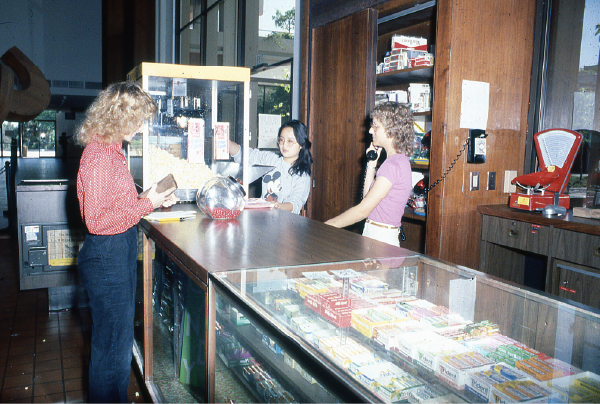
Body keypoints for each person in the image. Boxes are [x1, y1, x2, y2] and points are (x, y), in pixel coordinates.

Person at [75, 81, 177, 403]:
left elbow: (115, 206)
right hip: (107, 256)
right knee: (111, 352)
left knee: (116, 347)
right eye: (138, 119)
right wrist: (147, 204)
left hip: (113, 253)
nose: (142, 126)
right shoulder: (100, 155)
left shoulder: (110, 149)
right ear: (118, 116)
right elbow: (98, 220)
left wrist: (150, 197)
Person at [324, 101, 413, 246]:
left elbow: (362, 211)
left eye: (375, 126)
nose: (370, 131)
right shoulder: (399, 161)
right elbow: (367, 200)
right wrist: (371, 164)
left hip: (380, 237)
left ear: (392, 130)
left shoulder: (392, 165)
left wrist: (327, 226)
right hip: (377, 233)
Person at [229, 119, 313, 214]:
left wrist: (277, 205)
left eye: (290, 141)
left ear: (301, 144)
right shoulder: (271, 159)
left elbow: (295, 203)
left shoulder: (302, 175)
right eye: (281, 140)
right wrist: (226, 143)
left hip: (286, 223)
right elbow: (244, 155)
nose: (284, 145)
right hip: (263, 217)